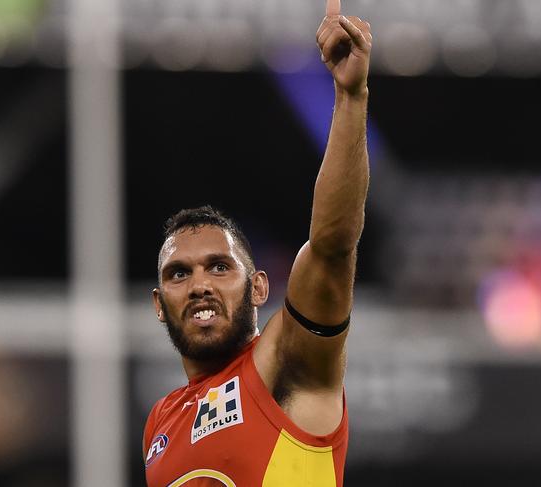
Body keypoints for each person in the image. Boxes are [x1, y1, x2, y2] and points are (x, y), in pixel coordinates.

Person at [143, 0, 371, 484]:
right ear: (160, 305)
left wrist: (350, 98)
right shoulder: (160, 423)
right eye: (179, 274)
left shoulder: (287, 361)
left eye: (220, 267)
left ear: (260, 287)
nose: (199, 283)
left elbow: (332, 247)